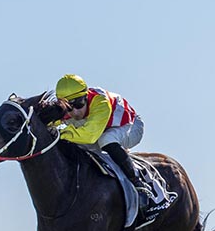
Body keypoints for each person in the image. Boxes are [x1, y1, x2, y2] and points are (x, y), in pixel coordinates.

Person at [54, 74, 150, 206]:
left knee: (105, 139)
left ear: (86, 96)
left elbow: (90, 136)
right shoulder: (61, 109)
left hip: (130, 127)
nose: (75, 112)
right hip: (99, 130)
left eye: (79, 104)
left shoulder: (100, 102)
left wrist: (59, 134)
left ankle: (138, 184)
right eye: (69, 108)